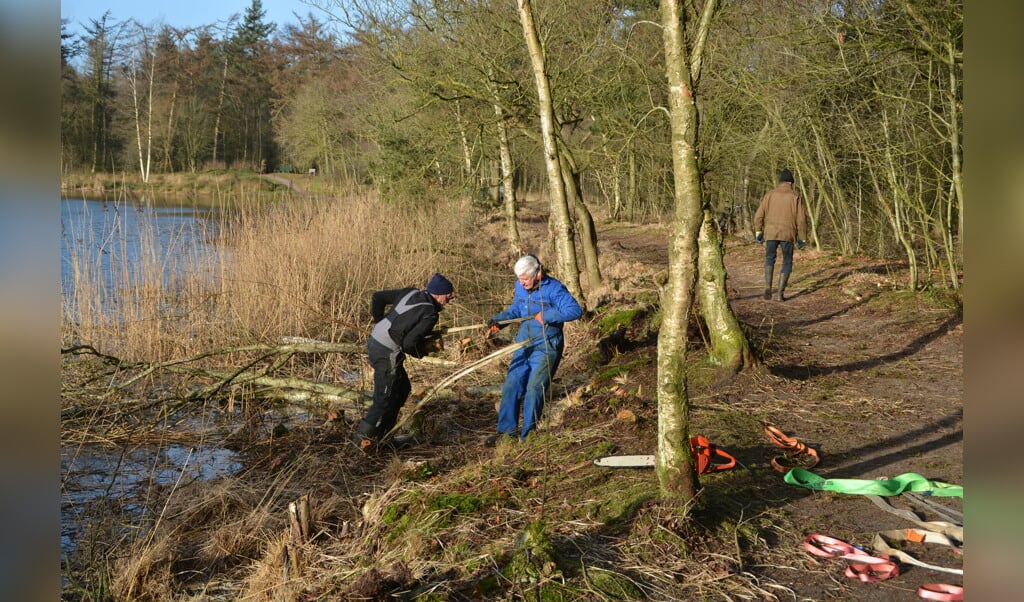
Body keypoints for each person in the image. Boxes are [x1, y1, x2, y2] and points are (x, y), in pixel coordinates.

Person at [485, 255, 582, 445]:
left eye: (525, 279)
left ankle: (528, 434)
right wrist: (501, 320)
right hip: (524, 343)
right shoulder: (520, 286)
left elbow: (575, 310)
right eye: (520, 279)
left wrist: (548, 315)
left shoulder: (555, 289)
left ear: (538, 273)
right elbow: (516, 310)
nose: (522, 283)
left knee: (534, 389)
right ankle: (506, 433)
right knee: (511, 385)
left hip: (546, 345)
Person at [351, 273, 454, 451]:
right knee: (384, 399)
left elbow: (378, 297)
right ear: (438, 294)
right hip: (386, 352)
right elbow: (408, 344)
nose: (450, 300)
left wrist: (379, 323)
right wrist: (422, 352)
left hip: (376, 342)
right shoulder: (430, 313)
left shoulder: (410, 292)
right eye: (449, 296)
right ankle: (359, 445)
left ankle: (384, 440)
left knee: (402, 388)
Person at [754, 169, 808, 301]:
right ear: (791, 182)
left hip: (771, 232)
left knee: (769, 258)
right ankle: (779, 294)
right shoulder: (796, 196)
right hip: (788, 234)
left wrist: (758, 231)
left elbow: (758, 215)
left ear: (780, 182)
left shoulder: (769, 195)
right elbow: (801, 220)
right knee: (787, 261)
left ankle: (767, 286)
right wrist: (802, 238)